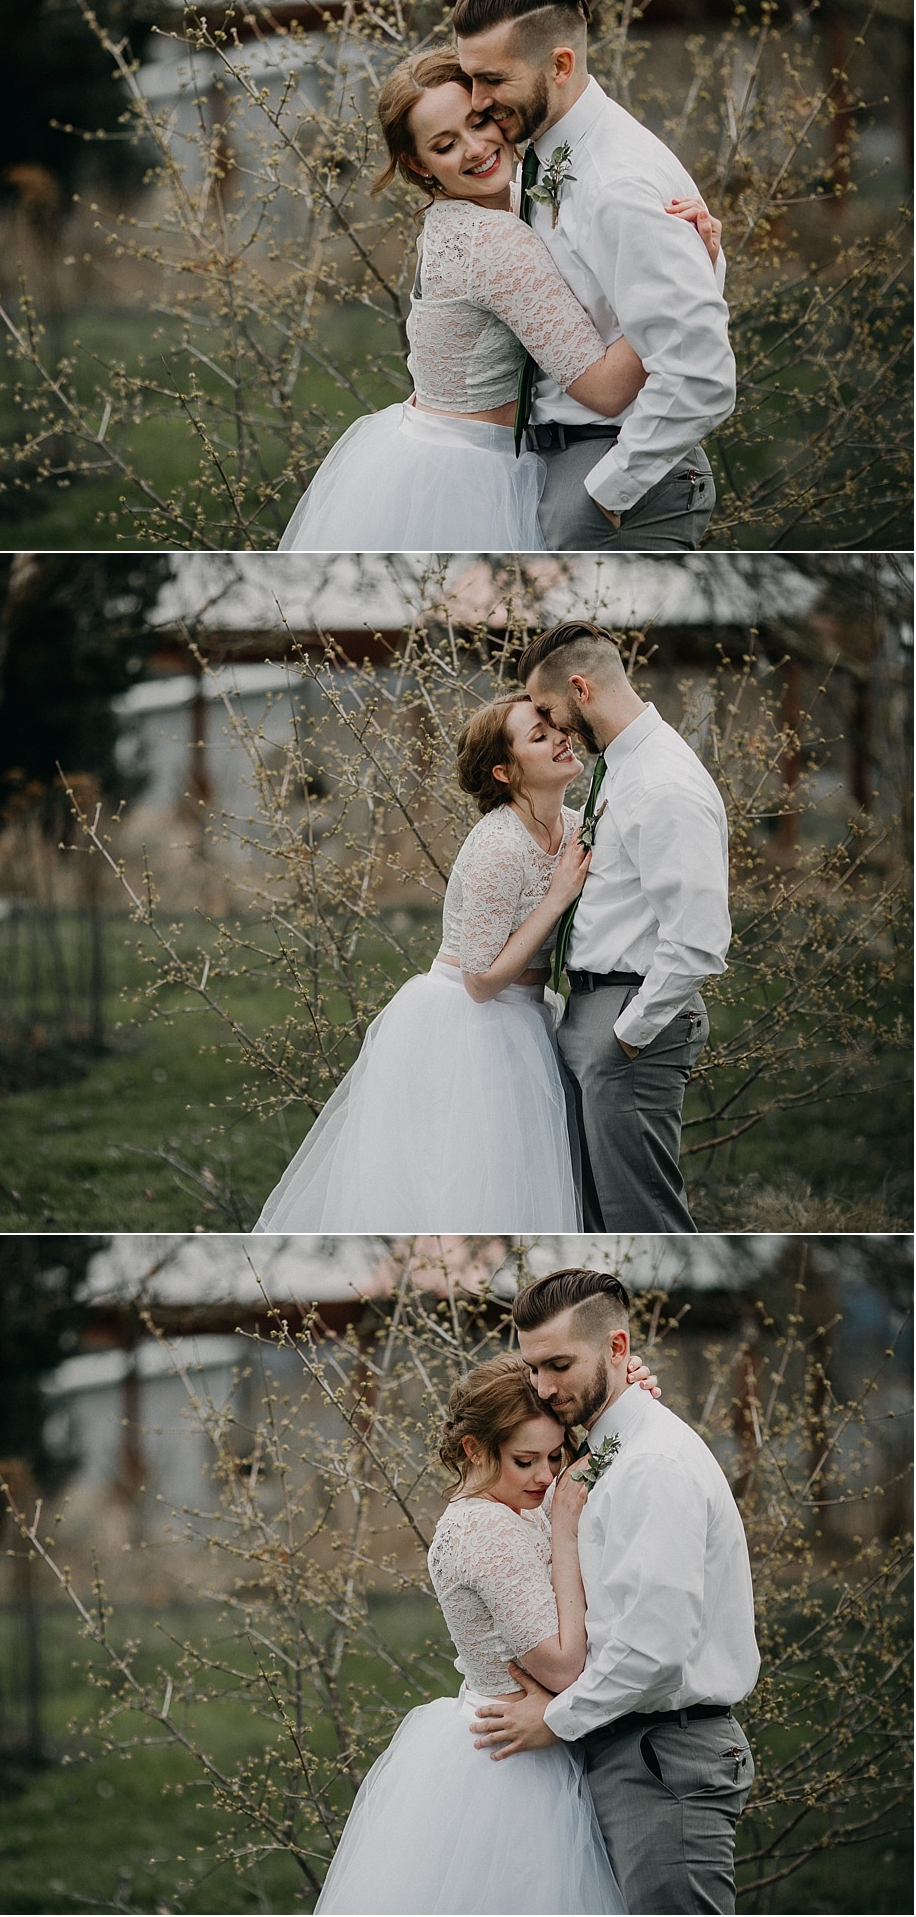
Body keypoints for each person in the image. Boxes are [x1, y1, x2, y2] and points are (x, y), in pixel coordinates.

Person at [279, 50, 722, 550]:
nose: (474, 149)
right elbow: (604, 389)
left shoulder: (485, 208)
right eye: (446, 145)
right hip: (470, 470)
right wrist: (679, 283)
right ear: (417, 164)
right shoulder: (492, 242)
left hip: (425, 443)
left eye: (479, 121)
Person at [316, 1350, 662, 1916]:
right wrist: (567, 1534)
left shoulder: (513, 1503)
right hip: (514, 1763)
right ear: (475, 1449)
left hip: (538, 1739)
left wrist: (630, 1395)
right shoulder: (484, 1529)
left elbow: (587, 1471)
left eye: (555, 1456)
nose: (546, 1476)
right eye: (526, 1460)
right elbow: (562, 1666)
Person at [470, 1269, 760, 1917]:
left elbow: (654, 1648)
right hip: (630, 1745)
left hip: (665, 1756)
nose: (544, 1387)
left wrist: (553, 1720)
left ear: (619, 1349)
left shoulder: (653, 1466)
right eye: (535, 1368)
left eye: (560, 1365)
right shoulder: (610, 1448)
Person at [254, 694, 592, 1232]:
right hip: (472, 1026)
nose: (560, 737)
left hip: (529, 1012)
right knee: (470, 1182)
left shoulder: (575, 827)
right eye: (539, 735)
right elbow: (479, 981)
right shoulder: (499, 847)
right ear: (505, 772)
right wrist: (555, 898)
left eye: (555, 726)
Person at [454, 0, 736, 549]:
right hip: (554, 458)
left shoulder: (616, 183)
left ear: (559, 66)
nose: (477, 103)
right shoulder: (548, 151)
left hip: (612, 470)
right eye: (470, 80)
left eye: (492, 80)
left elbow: (702, 370)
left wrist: (609, 489)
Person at [518, 620, 731, 1234]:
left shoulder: (664, 783)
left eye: (547, 708)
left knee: (643, 1220)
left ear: (579, 688)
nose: (550, 724)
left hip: (630, 1019)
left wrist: (629, 1036)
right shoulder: (623, 765)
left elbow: (698, 940)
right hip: (595, 1011)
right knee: (599, 1220)